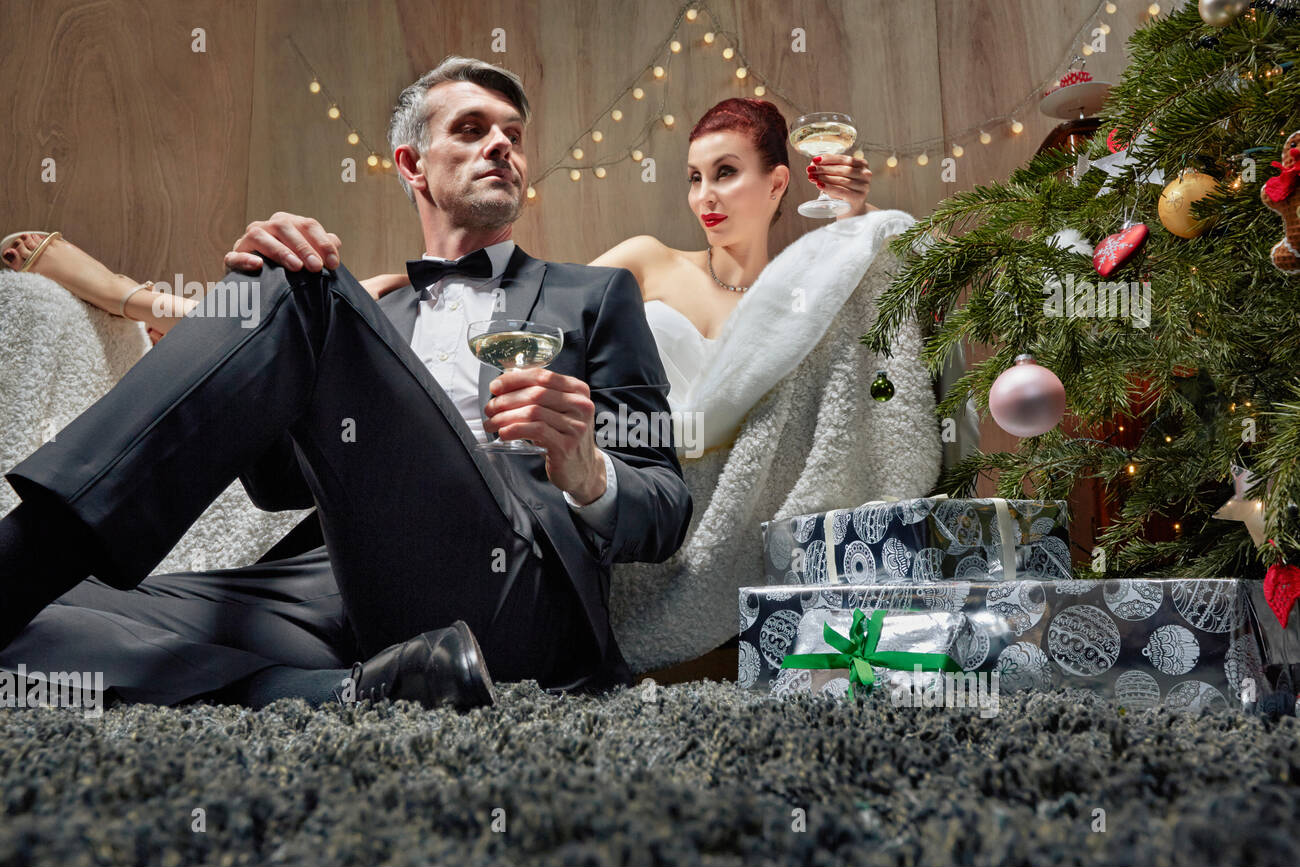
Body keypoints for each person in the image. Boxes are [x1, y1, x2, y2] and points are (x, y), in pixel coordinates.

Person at [0, 55, 692, 710]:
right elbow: (279, 486)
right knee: (44, 619)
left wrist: (589, 472)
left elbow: (664, 510)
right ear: (410, 164)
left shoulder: (597, 296)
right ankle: (344, 691)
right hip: (330, 586)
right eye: (473, 130)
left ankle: (16, 556)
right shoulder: (366, 317)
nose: (502, 146)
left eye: (514, 135)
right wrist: (252, 317)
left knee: (297, 275)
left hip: (508, 583)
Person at [225, 98, 940, 674]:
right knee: (164, 629)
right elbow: (526, 313)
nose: (706, 195)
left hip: (662, 486)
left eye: (726, 173)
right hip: (540, 476)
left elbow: (822, 354)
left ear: (780, 182)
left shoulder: (803, 292)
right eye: (694, 177)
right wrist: (393, 298)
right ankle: (370, 679)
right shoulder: (646, 261)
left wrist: (850, 230)